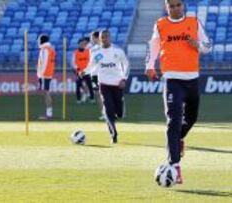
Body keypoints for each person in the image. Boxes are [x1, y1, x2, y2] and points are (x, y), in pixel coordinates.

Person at [145, 0, 212, 184]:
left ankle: (178, 139)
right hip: (172, 79)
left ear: (183, 6)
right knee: (173, 121)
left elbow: (208, 46)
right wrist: (149, 65)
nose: (175, 8)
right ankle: (174, 165)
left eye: (177, 5)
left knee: (192, 118)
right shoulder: (161, 25)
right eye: (171, 6)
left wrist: (197, 44)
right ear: (167, 7)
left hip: (192, 79)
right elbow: (153, 46)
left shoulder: (194, 22)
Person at [87, 30, 129, 144]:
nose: (104, 39)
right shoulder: (96, 53)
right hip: (104, 84)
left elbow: (126, 65)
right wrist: (84, 72)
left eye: (106, 37)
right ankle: (113, 133)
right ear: (99, 39)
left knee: (119, 113)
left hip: (117, 84)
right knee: (109, 109)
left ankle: (114, 114)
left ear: (110, 37)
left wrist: (124, 79)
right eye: (102, 37)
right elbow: (91, 66)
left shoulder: (118, 51)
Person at [36, 34, 56, 120]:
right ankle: (49, 112)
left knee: (46, 93)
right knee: (46, 93)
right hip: (48, 73)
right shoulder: (50, 49)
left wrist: (40, 75)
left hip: (44, 74)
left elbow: (44, 63)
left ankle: (49, 113)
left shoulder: (44, 50)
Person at [88, 31, 104, 119]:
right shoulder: (92, 49)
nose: (91, 40)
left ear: (97, 38)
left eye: (92, 38)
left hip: (103, 73)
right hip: (94, 74)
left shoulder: (105, 47)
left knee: (105, 94)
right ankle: (104, 113)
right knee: (97, 94)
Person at [72, 37, 94, 104]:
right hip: (79, 72)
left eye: (83, 44)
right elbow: (73, 62)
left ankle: (92, 98)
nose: (82, 45)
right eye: (81, 44)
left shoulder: (88, 51)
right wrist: (77, 69)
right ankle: (78, 99)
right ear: (78, 44)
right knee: (78, 85)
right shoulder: (75, 52)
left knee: (90, 85)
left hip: (87, 71)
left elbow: (91, 61)